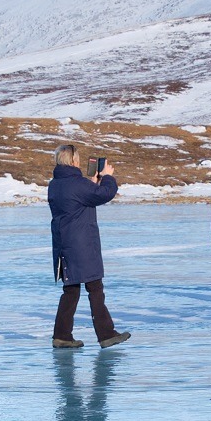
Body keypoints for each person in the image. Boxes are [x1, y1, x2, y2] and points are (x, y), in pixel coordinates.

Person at [48, 144, 129, 349]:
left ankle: (62, 335)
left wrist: (91, 183)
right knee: (95, 287)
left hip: (63, 243)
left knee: (71, 290)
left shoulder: (55, 184)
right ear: (74, 161)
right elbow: (104, 194)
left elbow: (83, 197)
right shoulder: (76, 184)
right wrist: (107, 176)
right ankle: (106, 334)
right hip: (82, 244)